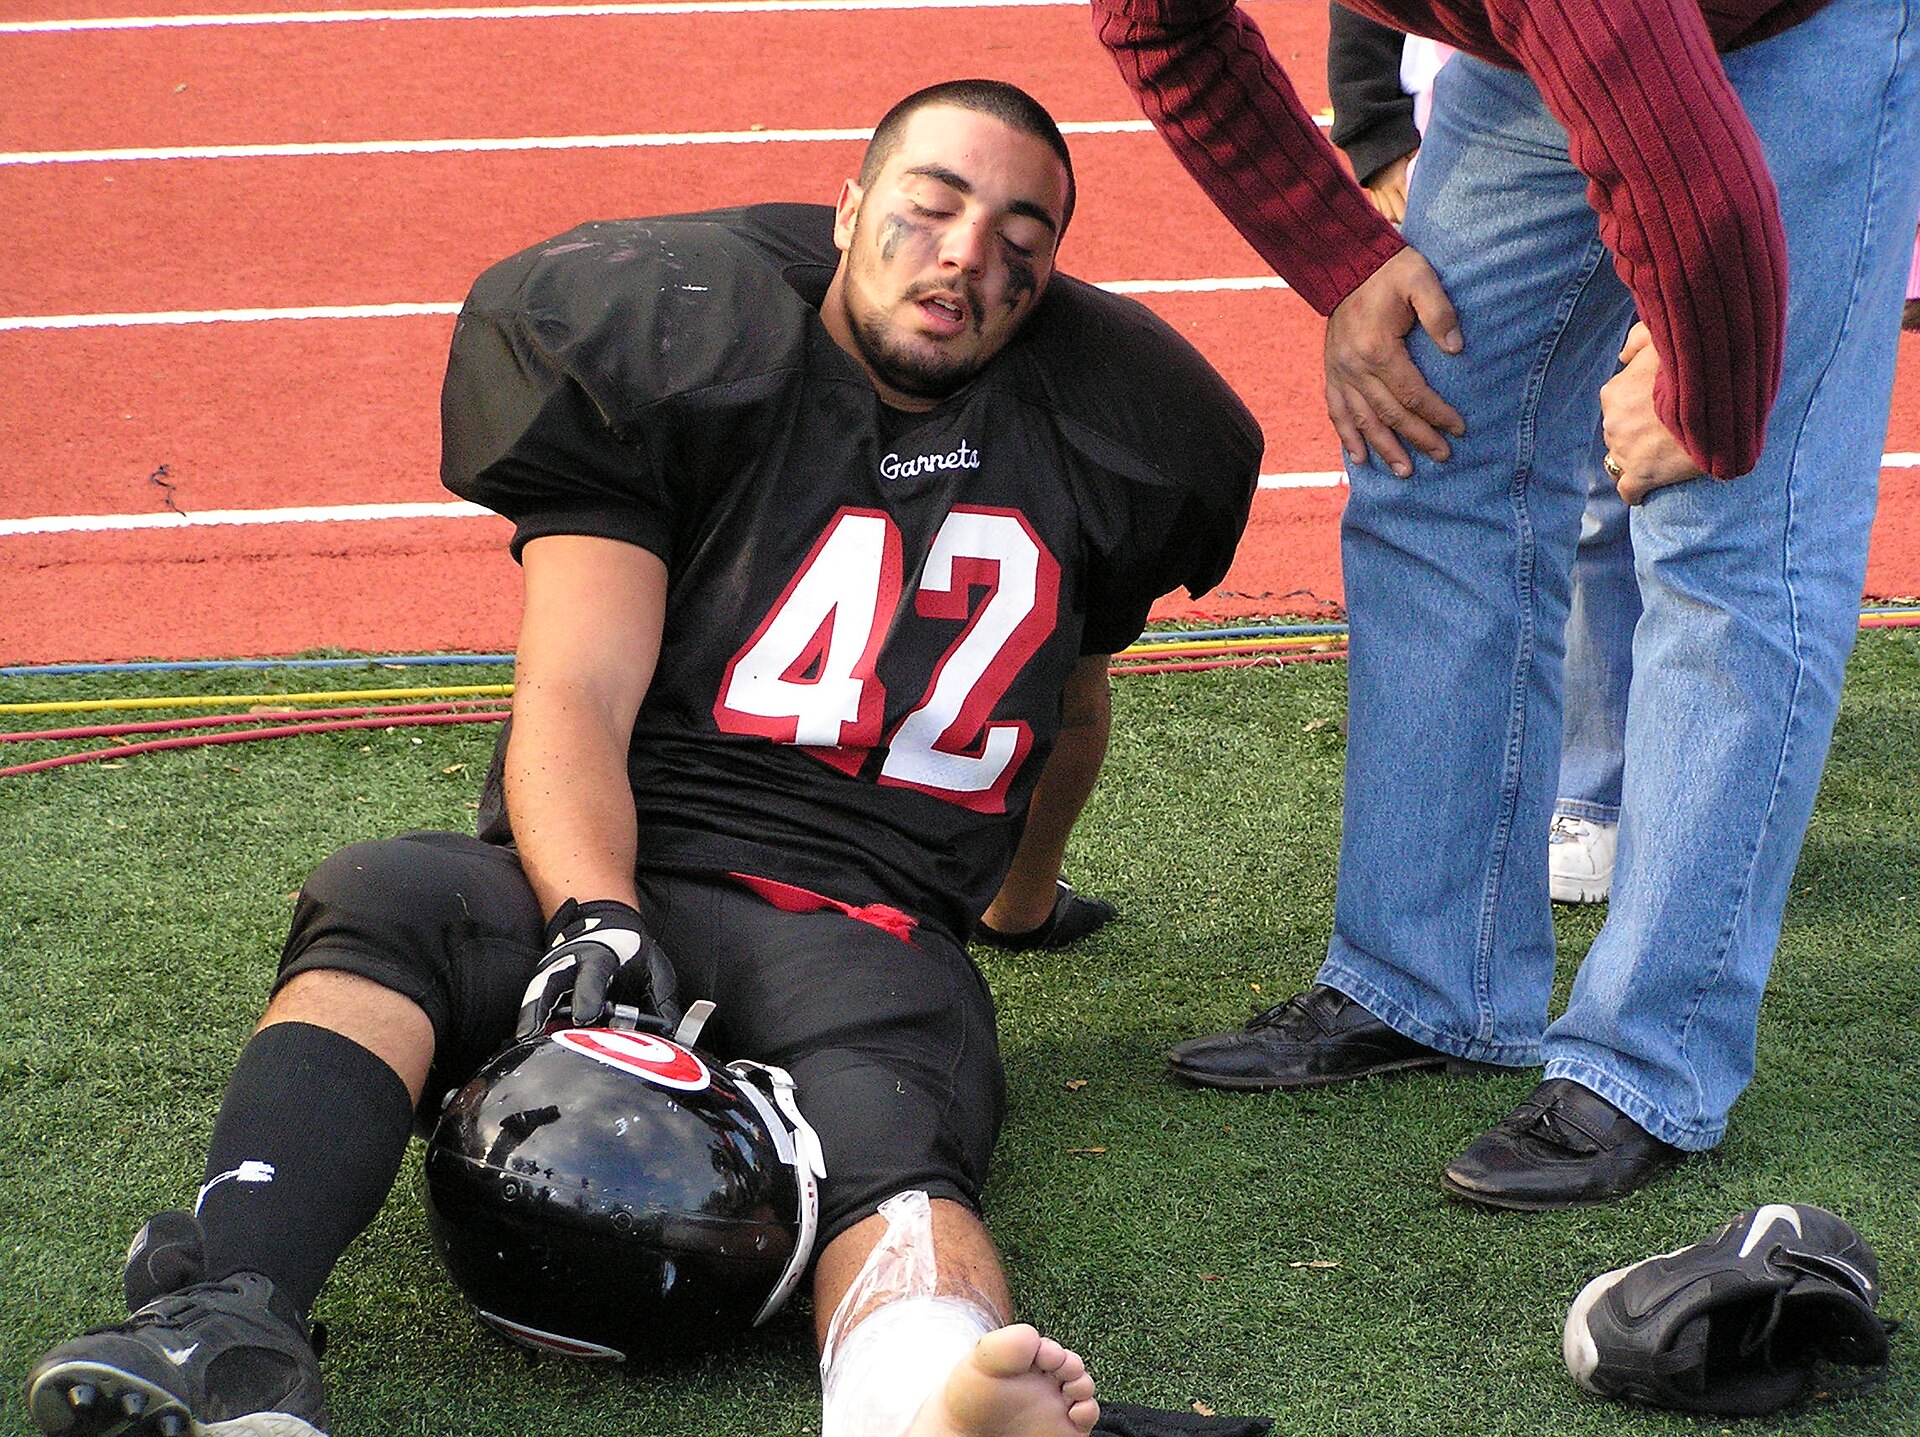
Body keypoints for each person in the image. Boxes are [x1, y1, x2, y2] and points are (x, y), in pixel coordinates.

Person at [23, 78, 1259, 1437]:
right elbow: (575, 691)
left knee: (888, 1139)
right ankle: (234, 1318)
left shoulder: (1103, 429)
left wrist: (1011, 906)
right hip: (644, 855)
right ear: (847, 209)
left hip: (855, 921)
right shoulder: (684, 344)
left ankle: (926, 1393)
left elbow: (1067, 703)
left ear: (1047, 282)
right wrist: (595, 909)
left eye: (1024, 236)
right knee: (391, 899)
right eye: (933, 205)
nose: (970, 254)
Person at [1094, 0, 1920, 1206]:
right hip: (1549, 49)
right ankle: (1423, 978)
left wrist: (1704, 391)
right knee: (1423, 427)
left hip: (1792, 27)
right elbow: (1157, 28)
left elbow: (1693, 176)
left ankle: (1648, 1060)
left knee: (1733, 532)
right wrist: (1347, 260)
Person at [1324, 4, 1632, 904]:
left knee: (1660, 483)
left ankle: (1603, 793)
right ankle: (1440, 916)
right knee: (1431, 449)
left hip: (1671, 95)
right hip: (1470, 117)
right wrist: (1375, 134)